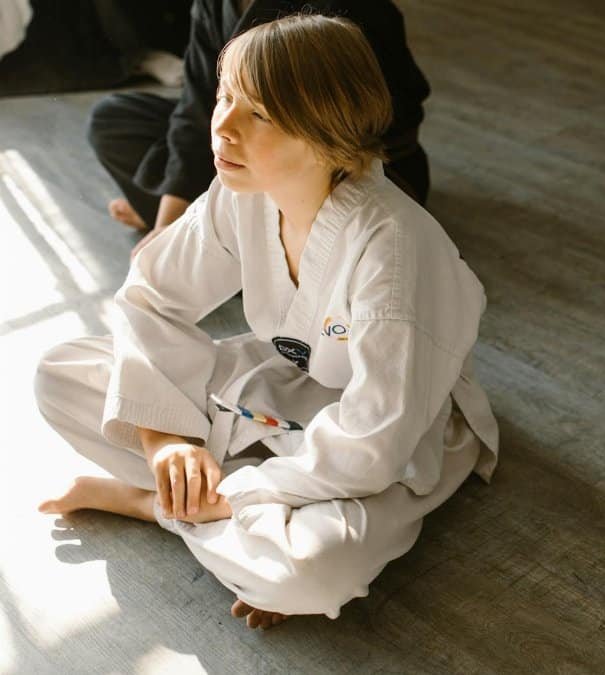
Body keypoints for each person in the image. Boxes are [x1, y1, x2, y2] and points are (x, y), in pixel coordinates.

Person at [36, 14, 497, 629]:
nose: (221, 127)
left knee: (311, 570)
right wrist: (169, 441)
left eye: (258, 114)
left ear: (325, 132)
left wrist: (221, 495)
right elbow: (150, 297)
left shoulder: (393, 253)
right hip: (280, 383)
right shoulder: (240, 194)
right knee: (59, 372)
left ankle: (153, 506)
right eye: (225, 97)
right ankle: (219, 512)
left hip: (393, 431)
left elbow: (371, 449)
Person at [85, 0, 431, 258]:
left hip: (337, 162)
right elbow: (198, 107)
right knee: (114, 120)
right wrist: (166, 224)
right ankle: (189, 221)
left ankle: (222, 242)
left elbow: (382, 122)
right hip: (255, 145)